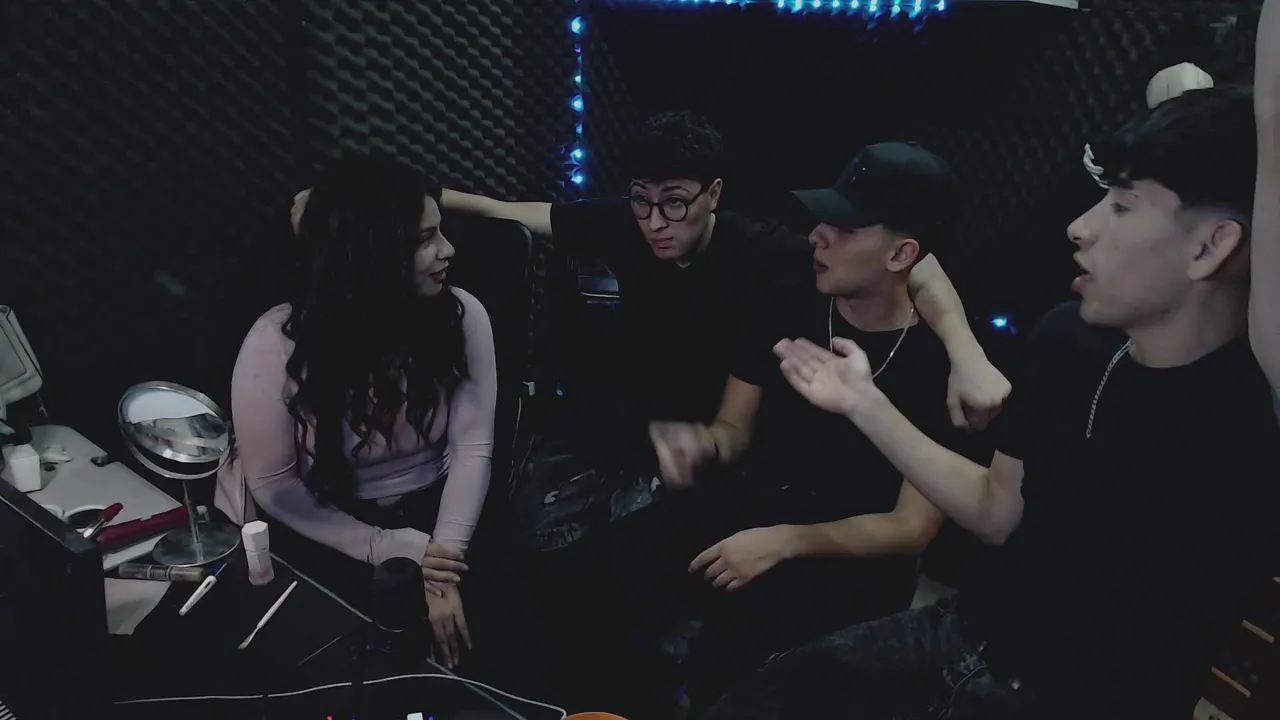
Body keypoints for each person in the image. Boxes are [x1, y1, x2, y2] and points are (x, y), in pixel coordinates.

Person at [707, 84, 1280, 719]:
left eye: (1121, 206)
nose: (1080, 227)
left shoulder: (1255, 410)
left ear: (1210, 246)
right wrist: (864, 402)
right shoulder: (1068, 338)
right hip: (966, 633)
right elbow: (997, 510)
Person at [656, 142, 977, 711]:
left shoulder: (941, 364)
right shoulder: (785, 305)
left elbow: (909, 528)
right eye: (823, 221)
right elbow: (734, 428)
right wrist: (706, 444)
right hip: (756, 523)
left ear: (901, 254)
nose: (816, 237)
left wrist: (786, 542)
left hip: (854, 566)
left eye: (846, 230)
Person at [214, 154, 498, 670]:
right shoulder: (273, 344)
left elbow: (472, 449)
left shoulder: (464, 316)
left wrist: (440, 567)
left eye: (441, 231)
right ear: (371, 252)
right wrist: (382, 546)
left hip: (441, 508)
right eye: (425, 238)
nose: (448, 249)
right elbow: (275, 485)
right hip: (330, 516)